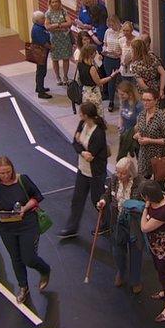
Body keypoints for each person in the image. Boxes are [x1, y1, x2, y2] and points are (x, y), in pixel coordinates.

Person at [0, 156, 52, 303]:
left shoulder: (22, 180)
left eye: (8, 171)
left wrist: (24, 208)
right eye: (2, 173)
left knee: (29, 258)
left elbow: (37, 197)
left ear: (12, 168)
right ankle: (23, 287)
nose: (6, 175)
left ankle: (45, 270)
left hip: (27, 224)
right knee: (15, 258)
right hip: (7, 229)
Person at [58, 102, 110, 239]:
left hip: (95, 172)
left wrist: (81, 148)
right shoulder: (82, 124)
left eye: (81, 113)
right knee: (77, 198)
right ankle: (72, 227)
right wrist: (82, 150)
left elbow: (91, 156)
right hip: (83, 170)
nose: (79, 115)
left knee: (96, 200)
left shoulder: (98, 133)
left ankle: (107, 222)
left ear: (86, 115)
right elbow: (75, 143)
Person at [97, 156, 145, 293]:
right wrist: (103, 201)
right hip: (117, 221)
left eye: (122, 173)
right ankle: (121, 272)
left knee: (136, 253)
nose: (119, 175)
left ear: (130, 172)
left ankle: (135, 280)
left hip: (134, 224)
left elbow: (146, 203)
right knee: (117, 251)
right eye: (117, 172)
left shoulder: (140, 183)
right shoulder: (114, 179)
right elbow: (107, 195)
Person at [140, 179, 165, 322]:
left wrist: (145, 208)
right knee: (161, 271)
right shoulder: (161, 198)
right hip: (157, 245)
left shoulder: (163, 211)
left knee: (164, 275)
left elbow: (144, 227)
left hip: (164, 248)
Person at [134, 88, 165, 190]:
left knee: (159, 186)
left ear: (156, 101)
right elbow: (140, 130)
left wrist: (149, 140)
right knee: (143, 183)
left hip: (159, 155)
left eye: (148, 100)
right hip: (145, 154)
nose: (145, 103)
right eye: (144, 100)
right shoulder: (141, 115)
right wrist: (138, 135)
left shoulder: (162, 117)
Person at [78, 45, 119, 115]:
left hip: (85, 91)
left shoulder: (80, 64)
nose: (96, 54)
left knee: (88, 112)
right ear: (91, 54)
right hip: (93, 92)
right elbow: (99, 82)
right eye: (95, 52)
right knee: (97, 112)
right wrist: (111, 76)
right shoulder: (91, 68)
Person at [45, 0, 72, 86]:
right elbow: (48, 27)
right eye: (53, 2)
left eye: (56, 1)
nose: (55, 3)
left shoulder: (63, 11)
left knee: (65, 58)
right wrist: (60, 26)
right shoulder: (48, 13)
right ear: (50, 3)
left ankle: (65, 76)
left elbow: (69, 23)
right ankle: (57, 77)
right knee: (55, 59)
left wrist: (56, 26)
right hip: (54, 39)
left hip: (64, 38)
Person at [115, 80, 142, 160]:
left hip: (135, 134)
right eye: (119, 94)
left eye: (122, 94)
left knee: (139, 156)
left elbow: (139, 123)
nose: (120, 96)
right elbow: (121, 114)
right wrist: (120, 125)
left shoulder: (138, 105)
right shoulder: (123, 101)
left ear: (130, 93)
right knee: (121, 156)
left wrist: (129, 134)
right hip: (124, 132)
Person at [102, 15, 123, 111]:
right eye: (110, 25)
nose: (112, 28)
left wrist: (119, 53)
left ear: (117, 23)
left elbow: (125, 47)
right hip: (108, 58)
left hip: (118, 59)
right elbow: (105, 44)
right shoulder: (108, 32)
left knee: (121, 80)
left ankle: (124, 101)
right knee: (111, 79)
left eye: (113, 25)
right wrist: (104, 50)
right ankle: (111, 101)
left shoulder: (122, 32)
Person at [31, 11, 53, 99]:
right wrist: (51, 47)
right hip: (40, 52)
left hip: (41, 51)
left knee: (40, 70)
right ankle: (41, 92)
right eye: (42, 18)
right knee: (41, 71)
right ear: (37, 20)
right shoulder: (37, 29)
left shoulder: (40, 27)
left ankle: (39, 87)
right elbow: (43, 42)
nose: (44, 19)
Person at [118, 21, 140, 86]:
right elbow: (121, 53)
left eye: (127, 31)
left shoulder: (137, 40)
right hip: (124, 69)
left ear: (131, 30)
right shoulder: (121, 40)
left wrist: (129, 61)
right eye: (124, 30)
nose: (125, 33)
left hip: (134, 69)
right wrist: (122, 61)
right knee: (126, 88)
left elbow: (139, 54)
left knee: (134, 89)